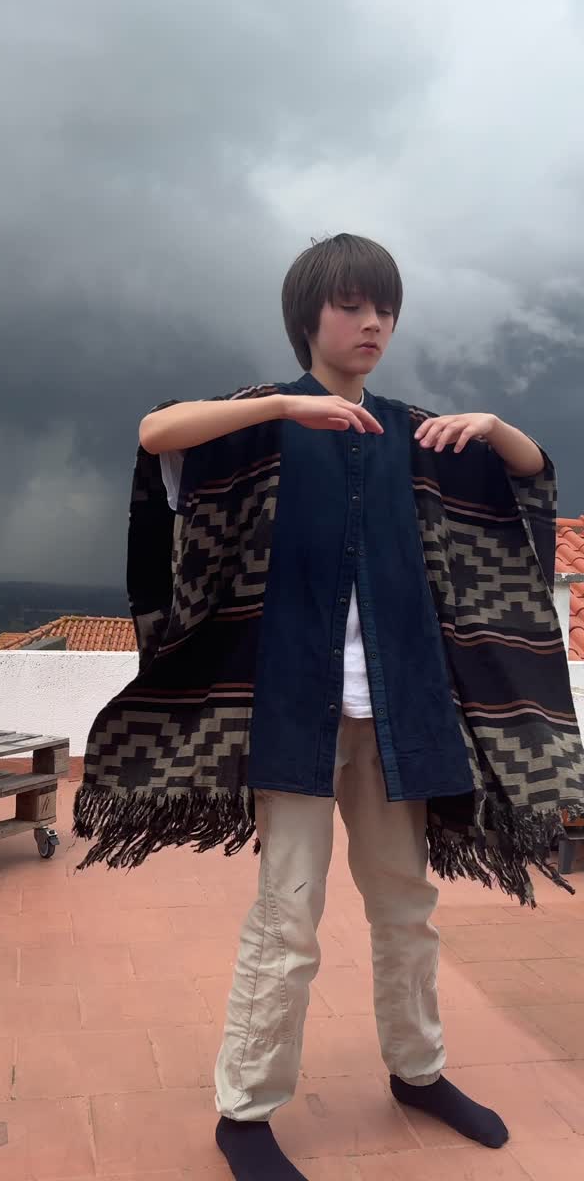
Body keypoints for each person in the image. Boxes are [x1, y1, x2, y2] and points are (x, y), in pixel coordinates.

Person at [75, 234, 584, 1181]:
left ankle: (419, 1071)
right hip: (293, 714)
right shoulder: (260, 422)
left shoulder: (416, 436)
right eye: (353, 306)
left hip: (399, 715)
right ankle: (246, 1110)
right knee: (288, 914)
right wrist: (279, 405)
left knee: (407, 906)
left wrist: (494, 424)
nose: (374, 323)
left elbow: (528, 479)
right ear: (310, 317)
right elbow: (154, 435)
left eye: (385, 308)